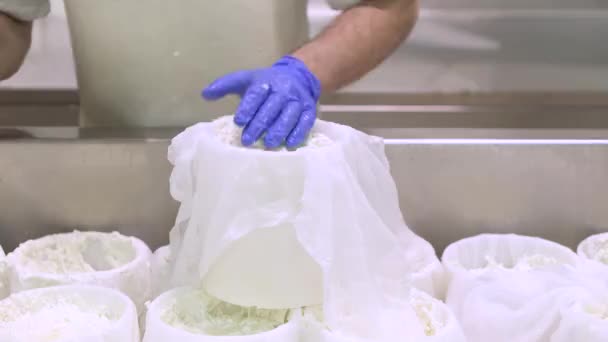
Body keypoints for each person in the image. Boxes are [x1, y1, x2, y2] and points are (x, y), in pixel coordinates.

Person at [1, 0, 419, 147]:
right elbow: (11, 25)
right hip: (116, 157)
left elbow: (391, 6)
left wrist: (304, 72)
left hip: (269, 152)